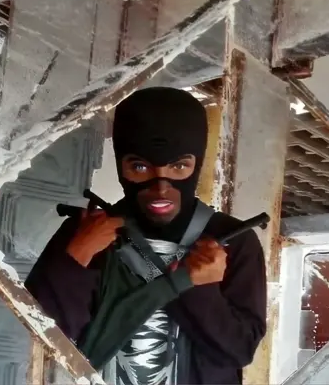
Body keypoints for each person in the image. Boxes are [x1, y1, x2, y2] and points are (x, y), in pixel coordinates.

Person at [25, 87, 267, 385]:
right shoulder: (88, 232)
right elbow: (40, 341)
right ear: (121, 166)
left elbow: (239, 351)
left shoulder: (233, 241)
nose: (161, 186)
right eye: (140, 167)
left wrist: (199, 288)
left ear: (196, 164)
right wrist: (76, 258)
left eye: (179, 166)